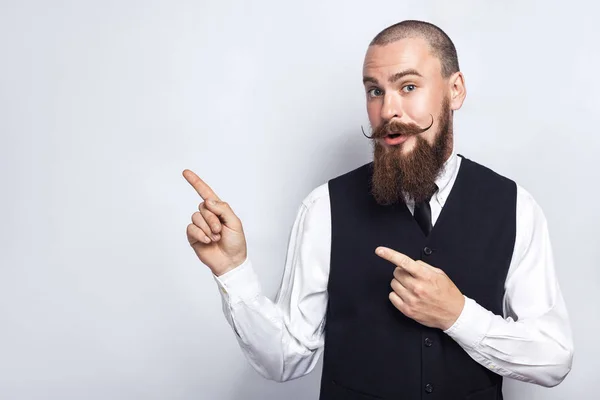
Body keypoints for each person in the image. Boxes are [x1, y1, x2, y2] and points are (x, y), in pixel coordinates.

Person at [183, 20, 573, 400]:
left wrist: (458, 316)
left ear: (455, 91)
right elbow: (286, 360)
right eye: (374, 91)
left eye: (408, 87)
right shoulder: (324, 208)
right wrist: (232, 272)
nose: (388, 110)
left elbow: (553, 358)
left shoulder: (515, 206)